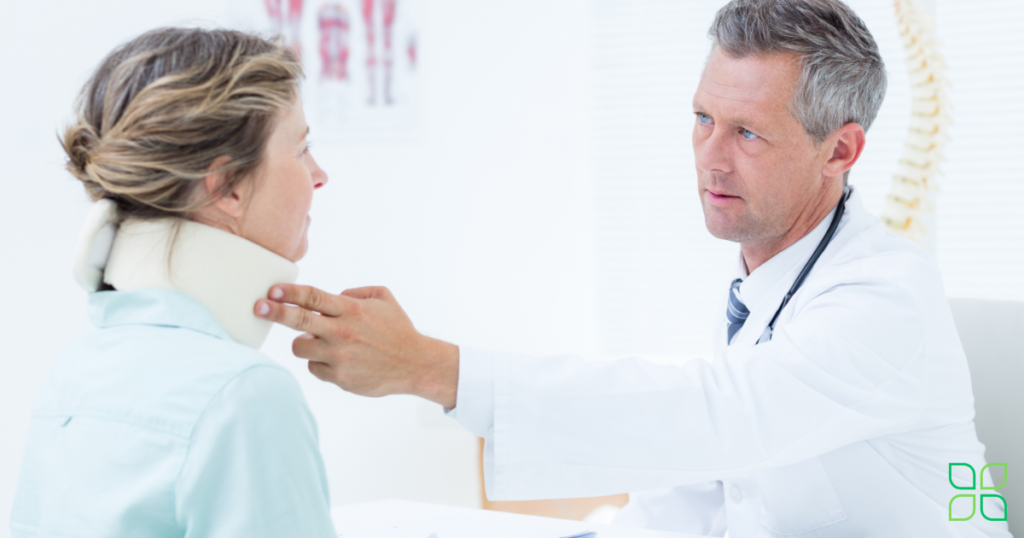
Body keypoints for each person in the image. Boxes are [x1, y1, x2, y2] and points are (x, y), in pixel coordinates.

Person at [255, 0, 1011, 536]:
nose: (709, 157)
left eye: (747, 132)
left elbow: (716, 416)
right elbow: (709, 484)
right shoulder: (769, 285)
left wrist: (435, 369)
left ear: (840, 152)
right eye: (702, 118)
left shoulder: (886, 301)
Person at [11, 28, 335, 537]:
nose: (319, 175)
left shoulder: (76, 368)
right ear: (226, 187)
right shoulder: (245, 396)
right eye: (301, 149)